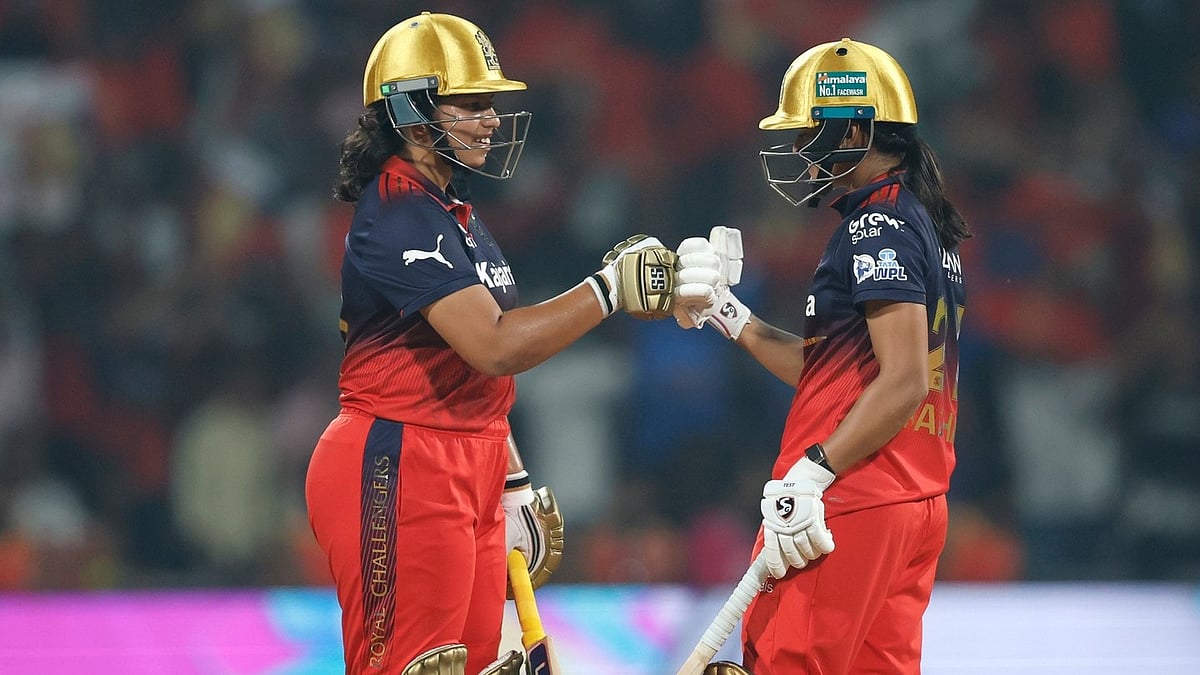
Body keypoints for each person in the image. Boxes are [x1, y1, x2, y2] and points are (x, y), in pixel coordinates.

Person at [303, 12, 676, 675]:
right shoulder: (398, 212)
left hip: (462, 460)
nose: (492, 118)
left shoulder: (454, 215)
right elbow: (495, 347)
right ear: (414, 114)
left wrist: (513, 480)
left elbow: (475, 376)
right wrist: (608, 290)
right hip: (399, 460)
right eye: (471, 103)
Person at [674, 38, 970, 674]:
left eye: (812, 132)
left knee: (788, 662)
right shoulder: (922, 223)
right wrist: (731, 315)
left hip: (853, 493)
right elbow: (835, 378)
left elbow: (903, 382)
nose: (803, 155)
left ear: (858, 129)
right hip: (913, 501)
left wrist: (814, 470)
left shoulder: (875, 226)